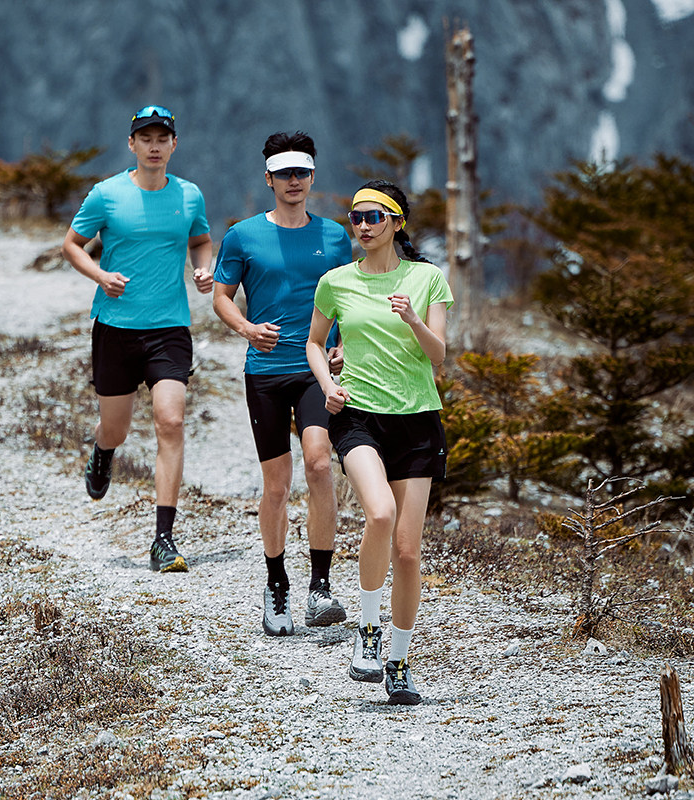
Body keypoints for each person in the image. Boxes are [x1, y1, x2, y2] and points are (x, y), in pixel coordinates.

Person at [306, 180, 453, 705]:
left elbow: (437, 356)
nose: (363, 225)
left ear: (396, 223)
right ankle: (367, 634)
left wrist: (413, 317)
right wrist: (328, 385)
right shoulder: (336, 282)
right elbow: (315, 343)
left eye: (373, 216)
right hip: (359, 416)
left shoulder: (427, 278)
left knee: (409, 554)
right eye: (355, 217)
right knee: (381, 515)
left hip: (417, 420)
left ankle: (398, 660)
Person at [61, 105, 213, 573]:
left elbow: (200, 240)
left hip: (169, 328)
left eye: (161, 138)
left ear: (173, 145)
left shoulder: (189, 196)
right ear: (132, 145)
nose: (153, 145)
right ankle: (103, 452)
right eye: (144, 137)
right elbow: (71, 244)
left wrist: (203, 267)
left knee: (171, 421)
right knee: (117, 427)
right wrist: (100, 275)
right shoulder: (106, 195)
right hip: (116, 328)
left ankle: (163, 539)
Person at [212, 131, 352, 636]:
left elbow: (348, 299)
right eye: (284, 173)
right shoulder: (243, 236)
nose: (294, 181)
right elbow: (222, 297)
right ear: (268, 178)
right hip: (266, 373)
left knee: (318, 463)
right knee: (276, 483)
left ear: (313, 176)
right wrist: (248, 328)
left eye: (303, 172)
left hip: (315, 369)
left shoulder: (335, 236)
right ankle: (276, 585)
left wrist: (342, 344)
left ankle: (320, 586)